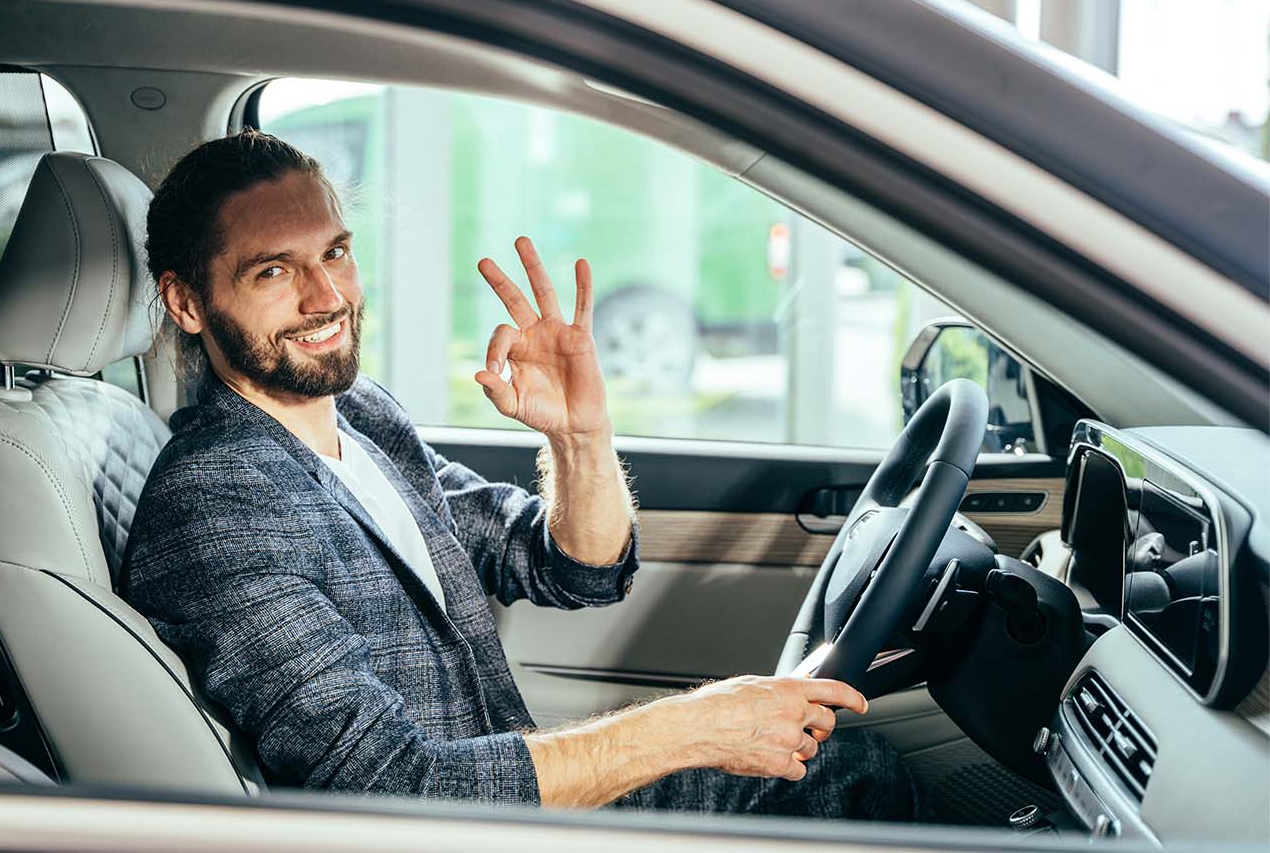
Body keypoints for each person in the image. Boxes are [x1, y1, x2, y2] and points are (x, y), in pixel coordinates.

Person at [121, 129, 919, 817]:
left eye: (335, 252)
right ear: (187, 304)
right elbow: (396, 790)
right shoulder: (216, 504)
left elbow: (575, 568)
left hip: (509, 804)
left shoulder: (361, 416)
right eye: (274, 271)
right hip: (468, 833)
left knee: (856, 772)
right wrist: (695, 726)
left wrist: (580, 435)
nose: (328, 296)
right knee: (851, 788)